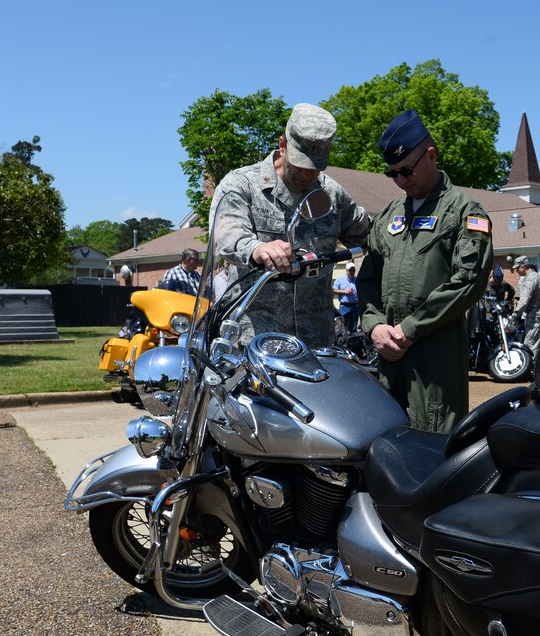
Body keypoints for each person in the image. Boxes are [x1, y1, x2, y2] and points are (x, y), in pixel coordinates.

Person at [356, 109, 493, 433]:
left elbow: (468, 280)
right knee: (384, 439)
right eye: (393, 174)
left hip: (435, 355)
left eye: (406, 171)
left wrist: (410, 329)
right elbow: (368, 278)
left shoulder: (464, 210)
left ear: (430, 155)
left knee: (432, 443)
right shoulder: (390, 214)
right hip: (388, 354)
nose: (401, 181)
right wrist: (375, 325)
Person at [211, 103, 371, 348]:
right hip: (255, 344)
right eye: (300, 163)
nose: (308, 174)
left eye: (315, 167)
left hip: (315, 344)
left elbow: (368, 234)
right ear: (282, 145)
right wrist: (256, 249)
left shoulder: (332, 194)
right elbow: (227, 236)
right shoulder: (242, 185)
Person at [512, 256, 540, 356]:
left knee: (529, 344)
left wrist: (514, 316)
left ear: (523, 267)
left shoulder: (530, 279)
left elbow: (523, 301)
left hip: (534, 314)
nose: (516, 271)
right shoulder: (538, 276)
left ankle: (530, 369)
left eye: (516, 268)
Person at [333, 262, 360, 334]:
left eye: (353, 270)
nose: (351, 272)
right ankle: (342, 342)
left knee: (353, 327)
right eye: (350, 270)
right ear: (346, 270)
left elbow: (361, 292)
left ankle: (353, 342)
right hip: (344, 306)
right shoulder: (340, 280)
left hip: (354, 306)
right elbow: (333, 290)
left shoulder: (357, 280)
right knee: (341, 326)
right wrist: (345, 291)